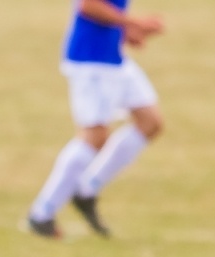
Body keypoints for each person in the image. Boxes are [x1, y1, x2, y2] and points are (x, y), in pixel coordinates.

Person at [25, 0, 167, 239]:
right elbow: (88, 5)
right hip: (90, 62)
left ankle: (86, 190)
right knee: (94, 137)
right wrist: (133, 22)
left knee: (150, 123)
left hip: (114, 59)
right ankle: (41, 214)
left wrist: (124, 33)